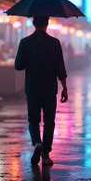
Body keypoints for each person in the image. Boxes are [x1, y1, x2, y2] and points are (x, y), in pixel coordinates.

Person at [15, 16, 68, 166]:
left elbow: (18, 66)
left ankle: (37, 142)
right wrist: (65, 87)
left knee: (33, 119)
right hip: (50, 89)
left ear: (33, 23)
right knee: (49, 122)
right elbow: (60, 68)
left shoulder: (25, 42)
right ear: (47, 23)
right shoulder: (54, 43)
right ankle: (46, 155)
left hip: (32, 88)